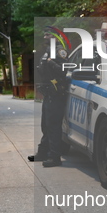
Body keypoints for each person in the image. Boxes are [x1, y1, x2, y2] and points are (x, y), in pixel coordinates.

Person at [28, 30, 69, 167]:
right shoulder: (48, 51)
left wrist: (51, 63)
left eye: (48, 35)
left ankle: (55, 157)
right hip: (48, 93)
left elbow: (64, 70)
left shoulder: (59, 51)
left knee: (53, 126)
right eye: (44, 34)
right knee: (45, 125)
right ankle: (43, 153)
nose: (45, 37)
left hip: (57, 94)